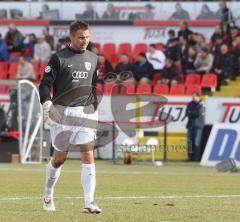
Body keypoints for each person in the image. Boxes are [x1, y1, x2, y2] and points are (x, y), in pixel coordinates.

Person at [39, 21, 101, 214]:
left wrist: (94, 107)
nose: (85, 41)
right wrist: (47, 104)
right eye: (81, 37)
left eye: (88, 37)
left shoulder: (94, 58)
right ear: (72, 37)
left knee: (88, 154)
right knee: (59, 159)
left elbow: (94, 86)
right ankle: (48, 193)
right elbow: (44, 84)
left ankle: (89, 202)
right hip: (62, 112)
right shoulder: (58, 58)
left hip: (85, 112)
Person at [186, 92, 205, 161]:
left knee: (197, 142)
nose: (193, 98)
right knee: (189, 142)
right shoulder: (190, 104)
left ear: (198, 97)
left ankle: (197, 158)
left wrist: (191, 112)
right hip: (190, 125)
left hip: (198, 125)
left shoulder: (202, 104)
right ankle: (190, 157)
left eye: (194, 96)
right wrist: (193, 112)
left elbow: (198, 113)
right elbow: (187, 113)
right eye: (192, 96)